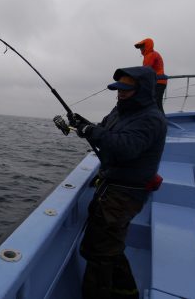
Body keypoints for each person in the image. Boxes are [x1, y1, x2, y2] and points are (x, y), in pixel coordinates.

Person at [63, 66, 167, 299]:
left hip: (126, 194)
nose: (119, 93)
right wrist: (82, 125)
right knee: (108, 245)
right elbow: (103, 132)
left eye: (126, 89)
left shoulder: (151, 119)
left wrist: (93, 131)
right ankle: (126, 291)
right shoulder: (120, 111)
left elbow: (126, 148)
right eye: (118, 88)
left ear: (142, 90)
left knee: (98, 252)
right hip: (111, 186)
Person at [134, 38, 167, 113]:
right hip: (157, 82)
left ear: (147, 46)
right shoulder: (150, 55)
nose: (141, 49)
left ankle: (161, 122)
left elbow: (146, 70)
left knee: (156, 103)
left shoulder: (151, 55)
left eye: (142, 46)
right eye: (140, 47)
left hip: (158, 82)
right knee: (155, 103)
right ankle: (158, 120)